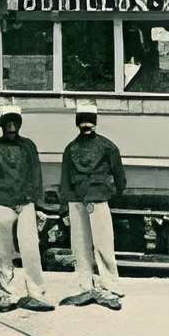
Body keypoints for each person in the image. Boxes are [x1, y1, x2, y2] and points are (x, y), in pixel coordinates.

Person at [0, 107, 54, 314]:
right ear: (2, 124)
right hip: (1, 202)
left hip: (25, 202)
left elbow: (36, 175)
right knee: (3, 250)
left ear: (19, 124)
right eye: (7, 123)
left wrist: (36, 202)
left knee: (30, 248)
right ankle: (7, 292)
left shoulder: (29, 146)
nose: (11, 127)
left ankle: (36, 292)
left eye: (15, 123)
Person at [58, 104, 125, 309]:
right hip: (88, 199)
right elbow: (119, 177)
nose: (86, 126)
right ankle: (99, 284)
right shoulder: (107, 146)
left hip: (84, 199)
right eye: (84, 122)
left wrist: (65, 204)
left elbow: (65, 180)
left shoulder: (73, 148)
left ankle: (97, 283)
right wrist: (114, 192)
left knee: (91, 244)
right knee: (92, 244)